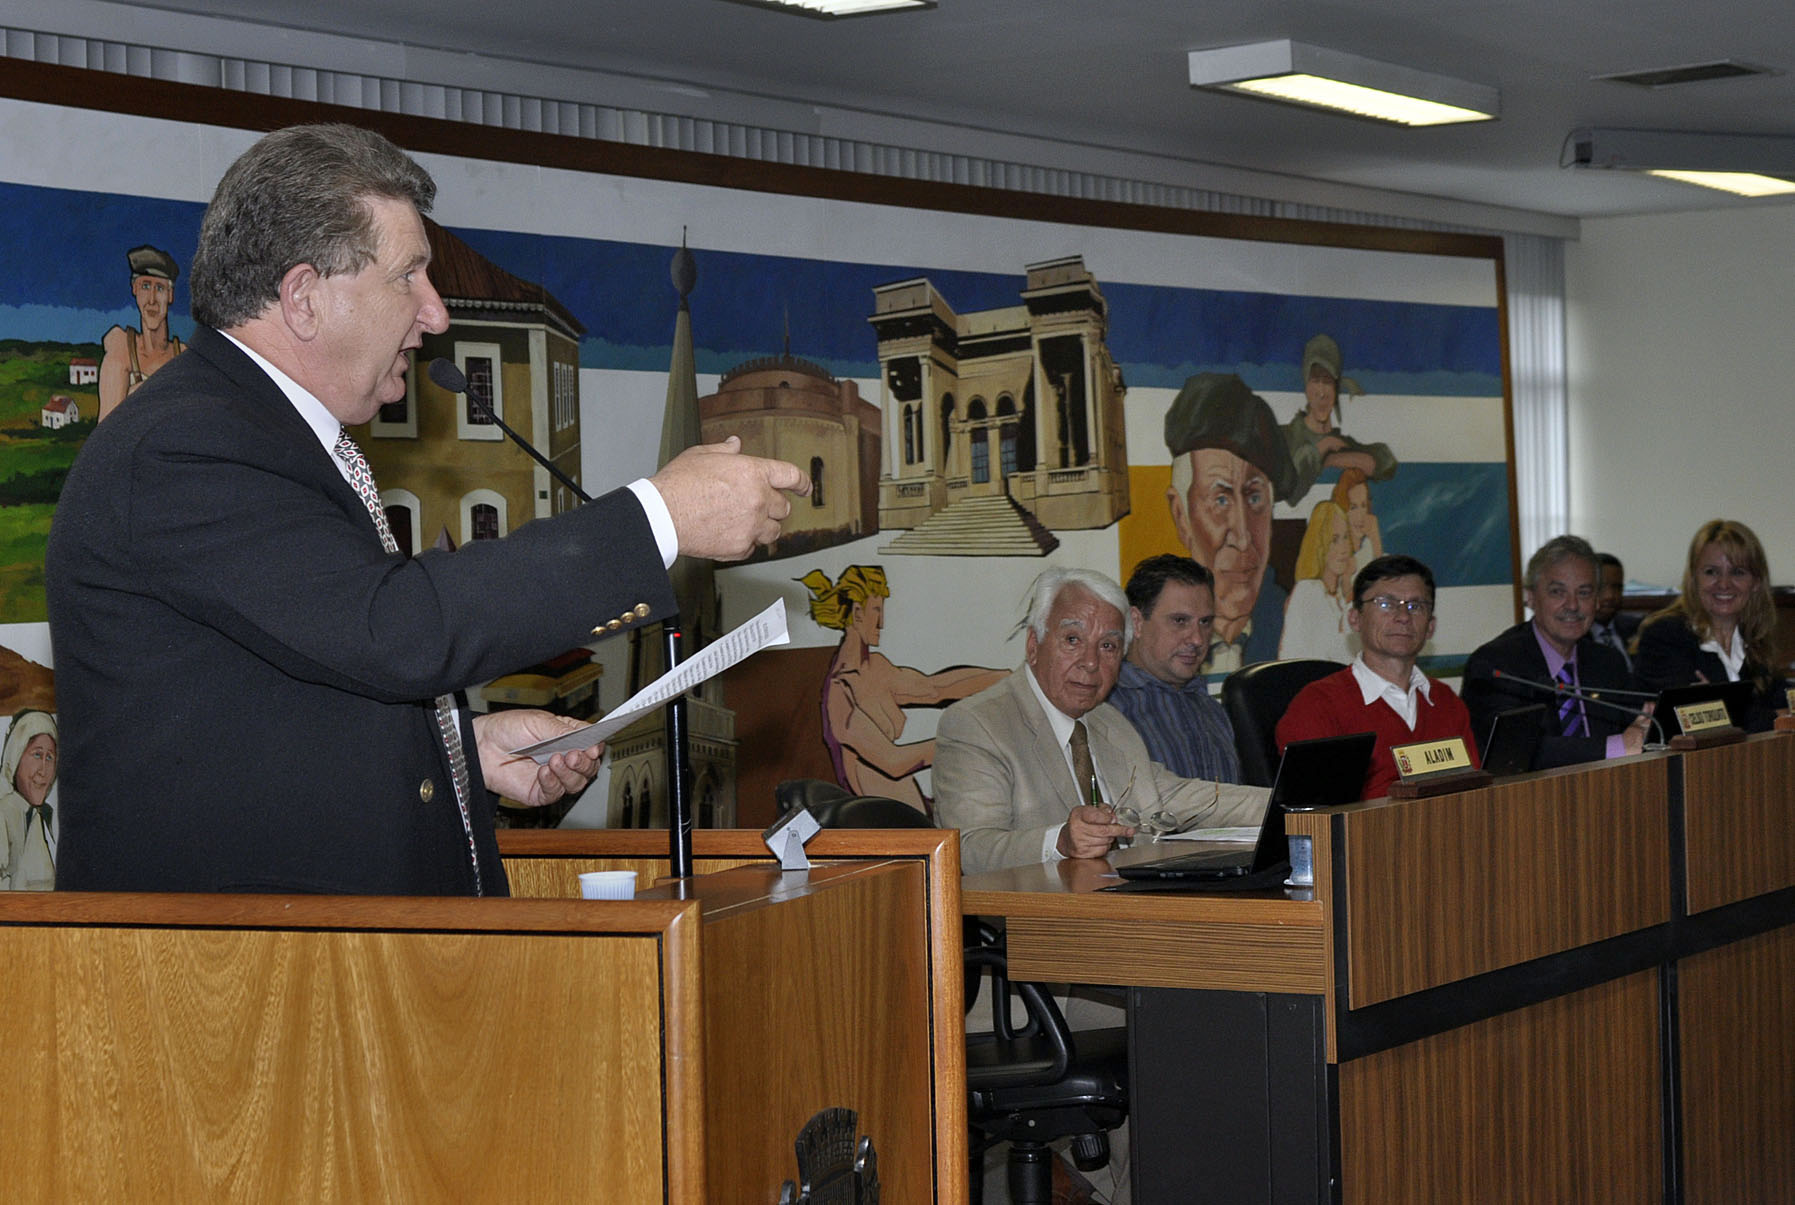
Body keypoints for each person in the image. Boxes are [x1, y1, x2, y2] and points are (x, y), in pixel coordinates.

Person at [45, 123, 807, 896]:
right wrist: (659, 516)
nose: (436, 313)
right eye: (408, 276)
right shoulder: (184, 447)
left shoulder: (257, 432)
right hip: (234, 990)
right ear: (305, 297)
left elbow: (255, 715)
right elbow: (396, 630)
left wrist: (454, 751)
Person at [933, 567, 1268, 876]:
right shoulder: (977, 724)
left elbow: (1179, 796)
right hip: (1038, 926)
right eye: (1073, 640)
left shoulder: (1107, 721)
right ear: (1033, 645)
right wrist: (1059, 842)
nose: (1091, 663)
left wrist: (1292, 801)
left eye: (1107, 646)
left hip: (1128, 910)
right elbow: (969, 850)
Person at [800, 564, 1007, 815]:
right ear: (857, 614)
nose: (883, 622)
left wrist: (1009, 678)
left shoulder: (877, 668)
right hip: (892, 831)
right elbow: (893, 762)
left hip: (921, 816)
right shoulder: (840, 691)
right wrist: (965, 742)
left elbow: (936, 689)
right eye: (877, 610)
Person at [1276, 555, 1480, 801]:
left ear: (1430, 627)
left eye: (1416, 606)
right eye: (1386, 604)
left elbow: (1473, 794)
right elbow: (1318, 813)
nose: (1403, 616)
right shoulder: (1317, 705)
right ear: (1355, 619)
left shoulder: (1446, 702)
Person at [1461, 536, 1652, 769]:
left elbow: (1638, 728)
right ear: (1530, 596)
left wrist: (1646, 724)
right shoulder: (1496, 665)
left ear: (1597, 601)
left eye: (1584, 593)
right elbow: (1515, 753)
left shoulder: (1608, 662)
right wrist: (1615, 747)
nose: (1572, 605)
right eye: (1557, 592)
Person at [1162, 372, 1301, 673]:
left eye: (1254, 498)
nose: (1242, 536)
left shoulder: (1297, 624)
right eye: (1220, 501)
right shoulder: (1152, 644)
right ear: (1181, 516)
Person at [1633, 519, 1785, 733]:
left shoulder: (1756, 642)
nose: (1724, 584)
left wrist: (1722, 703)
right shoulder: (1665, 635)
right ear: (1694, 578)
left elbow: (1785, 705)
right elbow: (1691, 719)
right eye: (1711, 572)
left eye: (1738, 572)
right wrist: (1770, 716)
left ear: (1756, 583)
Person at [1108, 555, 1242, 782]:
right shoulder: (1108, 708)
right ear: (1136, 622)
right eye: (1180, 621)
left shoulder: (1211, 709)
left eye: (1205, 622)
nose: (1198, 639)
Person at [1280, 334, 1397, 501]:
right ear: (1306, 386)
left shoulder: (1340, 444)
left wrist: (1332, 459)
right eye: (1315, 380)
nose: (1321, 393)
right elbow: (1291, 493)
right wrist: (1322, 448)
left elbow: (1385, 462)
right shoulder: (1283, 437)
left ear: (1336, 389)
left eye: (1327, 381)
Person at [98, 244, 186, 421]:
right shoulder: (121, 350)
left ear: (170, 295)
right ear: (135, 290)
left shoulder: (184, 356)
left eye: (160, 288)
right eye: (146, 286)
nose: (152, 300)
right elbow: (107, 433)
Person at [1278, 498, 1357, 663]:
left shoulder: (1338, 599)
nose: (1343, 548)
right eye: (1334, 540)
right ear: (1320, 545)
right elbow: (1336, 656)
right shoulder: (1308, 591)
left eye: (1345, 537)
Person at [0, 710, 58, 891]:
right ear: (16, 756)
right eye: (37, 755)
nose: (43, 770)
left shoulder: (39, 818)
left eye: (50, 757)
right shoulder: (5, 813)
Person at [1588, 551, 1640, 666]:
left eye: (1617, 587)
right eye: (1601, 587)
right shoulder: (1574, 637)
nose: (1610, 595)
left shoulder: (1637, 628)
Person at [1334, 467, 1383, 574]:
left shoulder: (1370, 549)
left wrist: (1376, 542)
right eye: (1353, 507)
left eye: (1363, 505)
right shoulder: (1334, 559)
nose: (1360, 515)